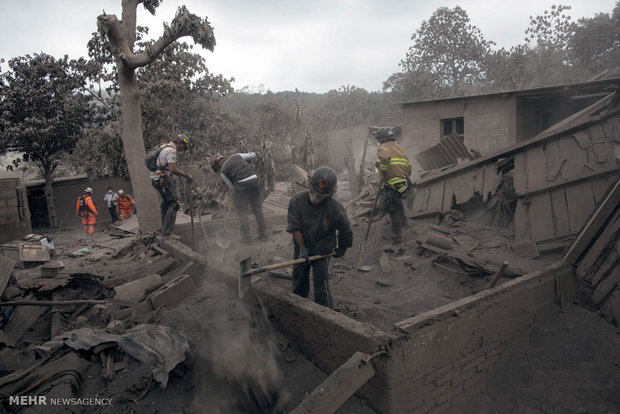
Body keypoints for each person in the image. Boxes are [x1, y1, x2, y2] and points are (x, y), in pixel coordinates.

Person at [286, 166, 353, 308]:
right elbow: (294, 228)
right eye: (313, 192)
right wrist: (303, 248)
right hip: (301, 248)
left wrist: (342, 248)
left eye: (320, 196)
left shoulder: (335, 208)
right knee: (299, 280)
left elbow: (346, 230)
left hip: (323, 251)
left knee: (320, 284)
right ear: (309, 186)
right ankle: (298, 307)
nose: (315, 197)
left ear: (330, 194)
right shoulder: (296, 202)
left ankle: (325, 312)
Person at [211, 152, 268, 243]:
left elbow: (231, 187)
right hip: (254, 181)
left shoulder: (223, 171)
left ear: (217, 164)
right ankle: (263, 235)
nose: (219, 169)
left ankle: (247, 238)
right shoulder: (237, 156)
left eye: (217, 168)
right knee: (257, 210)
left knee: (242, 213)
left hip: (241, 185)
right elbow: (253, 155)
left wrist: (235, 197)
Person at [373, 127, 412, 244]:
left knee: (393, 210)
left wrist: (384, 171)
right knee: (397, 201)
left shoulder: (382, 148)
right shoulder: (400, 147)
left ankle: (396, 238)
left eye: (379, 139)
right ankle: (404, 221)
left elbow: (385, 159)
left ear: (382, 139)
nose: (378, 142)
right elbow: (409, 167)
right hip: (403, 183)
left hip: (391, 183)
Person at [150, 134, 193, 238]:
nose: (182, 150)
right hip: (161, 179)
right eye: (183, 147)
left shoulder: (163, 147)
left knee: (165, 202)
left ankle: (163, 227)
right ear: (179, 143)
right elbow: (173, 169)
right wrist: (186, 176)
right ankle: (167, 232)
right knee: (174, 204)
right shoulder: (171, 150)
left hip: (156, 179)